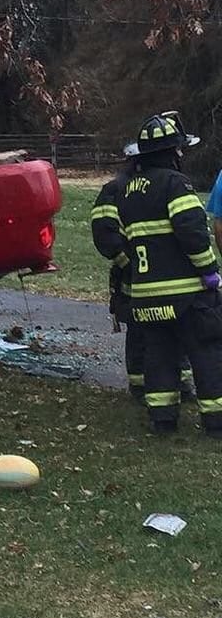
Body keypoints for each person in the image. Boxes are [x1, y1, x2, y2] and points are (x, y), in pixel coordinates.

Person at [112, 112, 222, 435]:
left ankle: (163, 420)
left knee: (159, 355)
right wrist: (209, 272)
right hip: (186, 295)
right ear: (173, 152)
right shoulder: (175, 184)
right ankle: (216, 422)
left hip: (146, 295)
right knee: (207, 352)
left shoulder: (129, 189)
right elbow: (193, 232)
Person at [91, 153, 195, 402]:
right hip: (134, 275)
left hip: (157, 272)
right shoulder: (117, 189)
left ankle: (180, 383)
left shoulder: (162, 185)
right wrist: (129, 264)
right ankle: (139, 384)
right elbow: (104, 234)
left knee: (171, 328)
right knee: (139, 329)